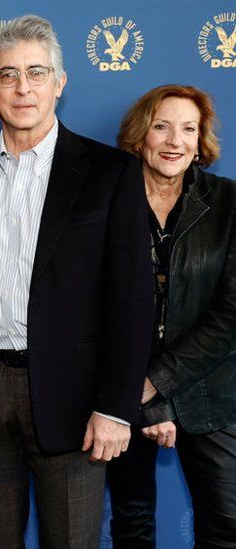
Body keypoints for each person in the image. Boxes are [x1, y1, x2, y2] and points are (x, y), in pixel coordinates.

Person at [0, 15, 153, 548]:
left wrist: (117, 405)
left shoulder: (111, 172)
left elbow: (134, 299)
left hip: (75, 396)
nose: (22, 88)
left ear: (60, 82)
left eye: (36, 72)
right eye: (7, 75)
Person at [107, 84, 236, 549]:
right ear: (140, 136)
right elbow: (99, 304)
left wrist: (156, 384)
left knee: (226, 526)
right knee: (132, 522)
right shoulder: (107, 201)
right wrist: (145, 398)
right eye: (161, 126)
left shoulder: (230, 204)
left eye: (188, 129)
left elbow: (231, 316)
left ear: (201, 142)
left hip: (209, 391)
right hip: (125, 389)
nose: (173, 141)